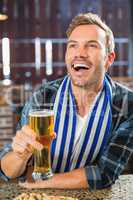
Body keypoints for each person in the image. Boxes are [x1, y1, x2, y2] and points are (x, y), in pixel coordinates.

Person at [0, 12, 133, 190]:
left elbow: (105, 174)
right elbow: (7, 171)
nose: (80, 53)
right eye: (73, 46)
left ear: (109, 59)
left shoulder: (126, 103)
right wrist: (20, 156)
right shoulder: (44, 96)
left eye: (91, 46)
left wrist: (41, 183)